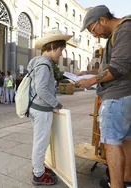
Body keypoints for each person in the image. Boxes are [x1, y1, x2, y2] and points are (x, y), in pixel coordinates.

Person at [76, 5, 131, 188]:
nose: (94, 35)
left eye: (93, 30)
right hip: (125, 97)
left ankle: (116, 185)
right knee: (126, 142)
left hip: (117, 97)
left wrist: (91, 80)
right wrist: (87, 72)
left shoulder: (124, 29)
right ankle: (126, 182)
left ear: (103, 20)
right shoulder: (119, 34)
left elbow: (117, 68)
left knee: (112, 144)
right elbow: (112, 66)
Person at [28, 29, 72, 186]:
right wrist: (57, 104)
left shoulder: (40, 62)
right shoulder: (44, 65)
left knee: (41, 141)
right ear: (53, 47)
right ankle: (38, 175)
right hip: (41, 110)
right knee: (41, 142)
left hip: (37, 108)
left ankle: (39, 168)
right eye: (61, 50)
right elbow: (41, 90)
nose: (61, 54)